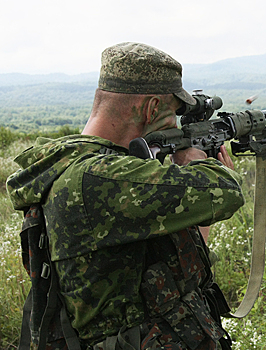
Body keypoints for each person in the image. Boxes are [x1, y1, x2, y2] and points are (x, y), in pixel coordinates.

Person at [7, 42, 245, 349]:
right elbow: (225, 190)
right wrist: (197, 162)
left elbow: (167, 264)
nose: (174, 124)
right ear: (150, 109)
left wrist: (194, 209)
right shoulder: (102, 178)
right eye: (173, 115)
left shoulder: (79, 168)